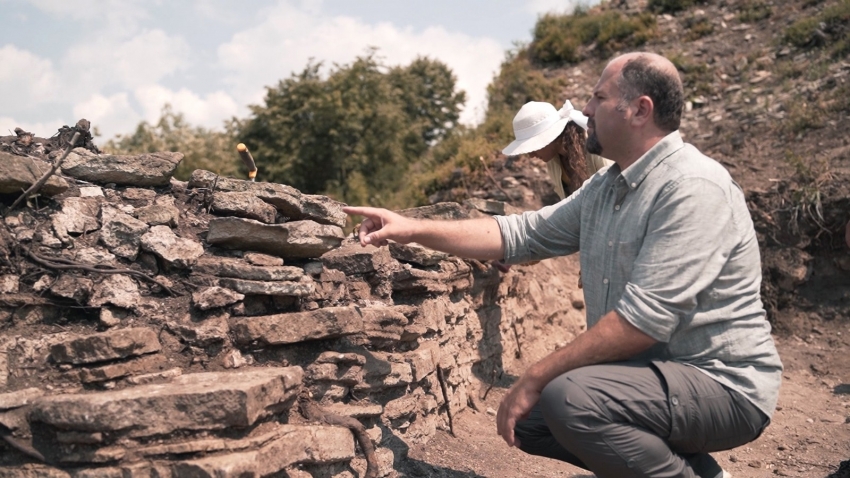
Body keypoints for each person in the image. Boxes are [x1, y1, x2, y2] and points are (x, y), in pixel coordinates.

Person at [343, 51, 782, 478]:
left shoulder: (691, 187)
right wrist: (410, 227)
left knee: (570, 399)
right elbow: (518, 234)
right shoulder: (606, 188)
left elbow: (642, 323)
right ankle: (700, 471)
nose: (586, 109)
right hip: (655, 380)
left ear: (639, 110)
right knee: (534, 420)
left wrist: (535, 375)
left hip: (722, 385)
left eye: (599, 98)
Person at [502, 99, 611, 201]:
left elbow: (616, 190)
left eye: (533, 147)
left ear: (550, 138)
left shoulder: (596, 149)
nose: (531, 155)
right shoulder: (553, 162)